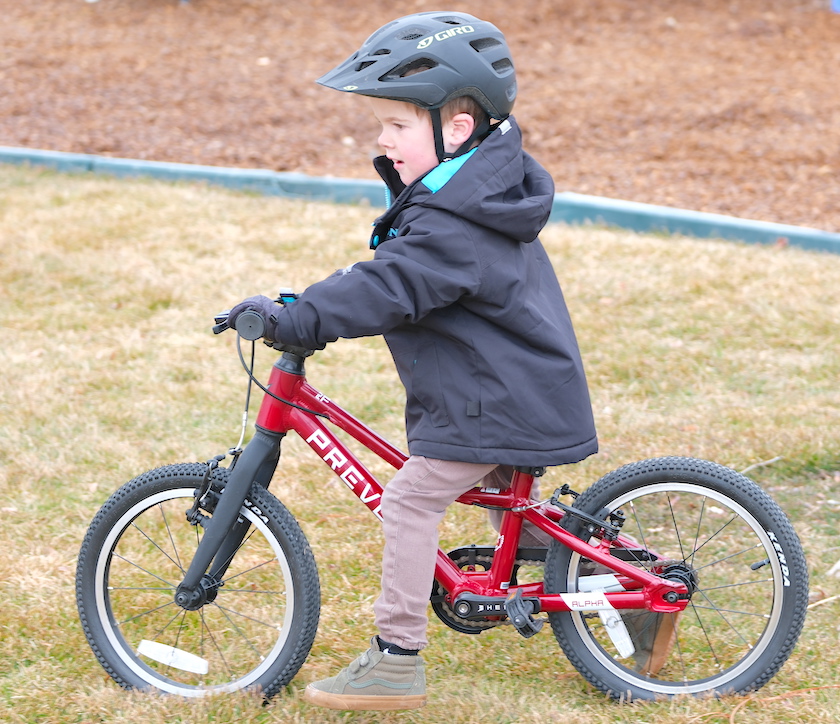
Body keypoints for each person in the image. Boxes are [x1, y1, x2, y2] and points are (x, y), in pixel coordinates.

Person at [226, 11, 598, 711]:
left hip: (498, 400)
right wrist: (314, 299)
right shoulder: (470, 195)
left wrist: (299, 317)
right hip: (508, 388)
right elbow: (393, 272)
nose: (382, 139)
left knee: (409, 499)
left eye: (397, 125)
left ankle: (396, 656)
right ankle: (590, 585)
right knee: (512, 516)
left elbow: (391, 285)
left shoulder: (454, 219)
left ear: (455, 130)